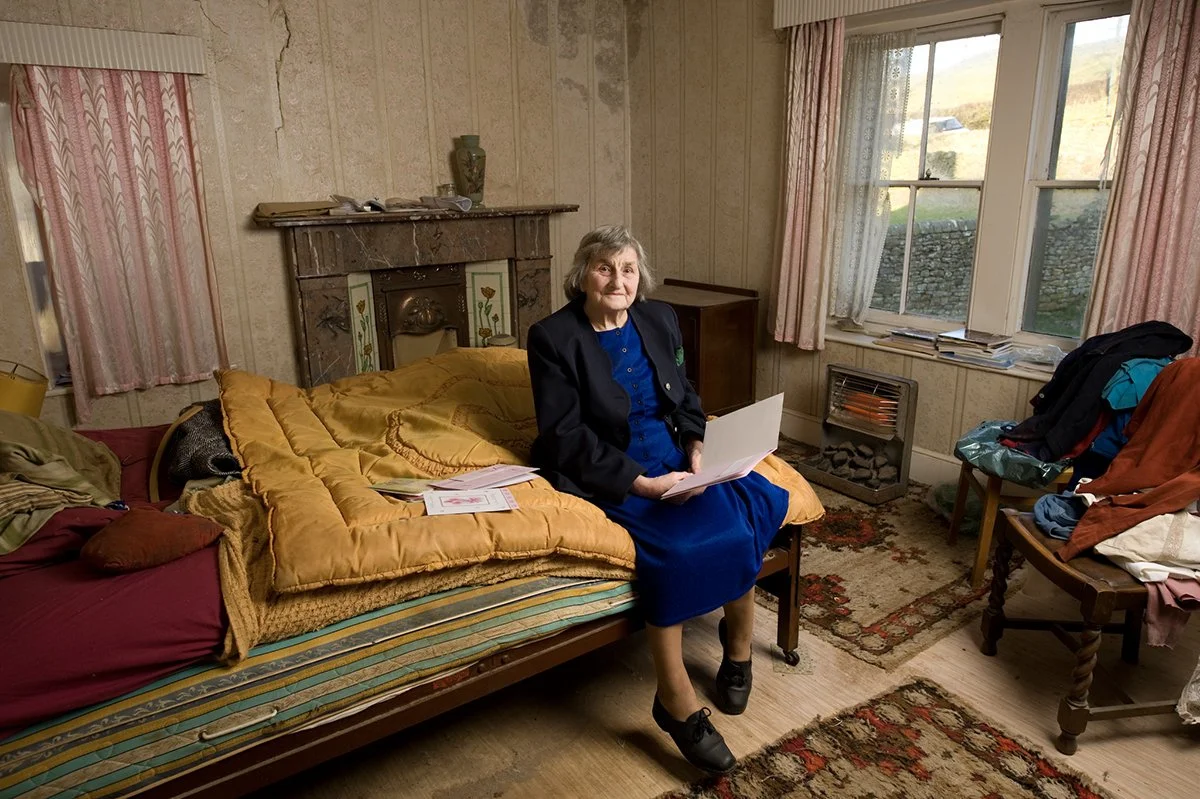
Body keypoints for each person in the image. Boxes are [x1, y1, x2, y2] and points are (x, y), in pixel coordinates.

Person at [526, 225, 789, 774]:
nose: (616, 280)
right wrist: (640, 484)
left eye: (627, 269)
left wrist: (697, 445)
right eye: (604, 268)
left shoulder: (659, 317)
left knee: (748, 511)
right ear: (582, 276)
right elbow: (565, 436)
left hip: (672, 454)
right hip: (611, 466)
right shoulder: (552, 337)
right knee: (675, 550)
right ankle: (675, 699)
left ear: (638, 277)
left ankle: (739, 646)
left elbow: (684, 394)